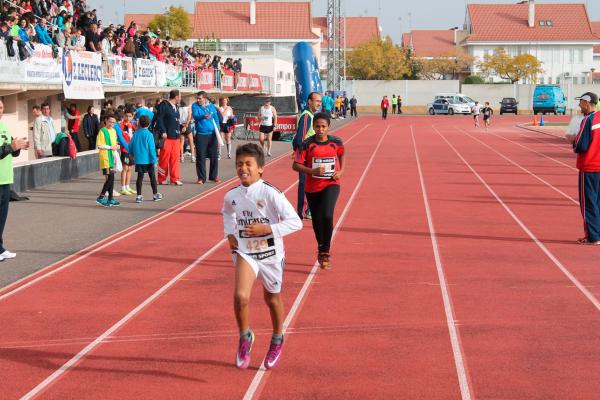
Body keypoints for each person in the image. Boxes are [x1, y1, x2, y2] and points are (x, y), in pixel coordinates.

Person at [222, 143, 302, 370]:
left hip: (271, 255)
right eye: (239, 164)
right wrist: (230, 234)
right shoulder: (232, 195)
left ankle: (277, 337)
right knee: (240, 296)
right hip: (246, 252)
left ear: (260, 169)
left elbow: (295, 222)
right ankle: (245, 336)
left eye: (248, 164)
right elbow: (227, 213)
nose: (243, 168)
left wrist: (268, 230)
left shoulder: (270, 192)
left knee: (272, 300)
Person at [293, 112, 345, 269]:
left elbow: (342, 154)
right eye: (317, 126)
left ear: (328, 127)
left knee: (327, 215)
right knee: (316, 219)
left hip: (331, 183)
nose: (321, 129)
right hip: (312, 186)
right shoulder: (307, 144)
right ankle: (321, 246)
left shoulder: (336, 142)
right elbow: (296, 165)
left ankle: (325, 252)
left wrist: (341, 171)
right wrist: (312, 171)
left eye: (323, 126)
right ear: (313, 127)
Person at [566, 92, 600, 245]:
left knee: (588, 203)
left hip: (590, 166)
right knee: (598, 202)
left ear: (587, 103)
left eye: (580, 102)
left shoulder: (587, 120)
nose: (579, 106)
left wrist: (573, 141)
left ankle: (593, 236)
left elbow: (581, 145)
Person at [0, 99, 29, 261]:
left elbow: (10, 149)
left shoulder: (4, 126)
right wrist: (11, 147)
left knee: (2, 217)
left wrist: (20, 146)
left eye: (2, 107)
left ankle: (0, 248)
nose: (0, 110)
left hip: (5, 179)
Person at [293, 92, 322, 220]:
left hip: (311, 156)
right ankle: (303, 212)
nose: (319, 104)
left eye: (320, 101)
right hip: (305, 157)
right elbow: (300, 138)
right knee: (305, 183)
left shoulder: (311, 115)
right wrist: (301, 153)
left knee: (313, 182)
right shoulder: (306, 116)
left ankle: (309, 209)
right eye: (316, 101)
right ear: (309, 102)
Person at [128, 115, 163, 203]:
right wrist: (154, 160)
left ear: (139, 123)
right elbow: (151, 149)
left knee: (140, 178)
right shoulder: (149, 134)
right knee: (152, 177)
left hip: (139, 160)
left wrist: (131, 154)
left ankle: (139, 196)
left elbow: (130, 145)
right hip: (148, 160)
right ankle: (155, 194)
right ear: (149, 124)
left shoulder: (136, 134)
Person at [154, 90, 183, 186]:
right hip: (167, 137)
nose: (180, 98)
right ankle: (161, 179)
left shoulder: (176, 107)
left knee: (175, 158)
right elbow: (159, 118)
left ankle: (175, 178)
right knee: (164, 158)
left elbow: (175, 121)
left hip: (176, 136)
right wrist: (163, 131)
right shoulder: (164, 105)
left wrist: (182, 127)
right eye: (180, 96)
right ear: (176, 97)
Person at [192, 91, 221, 184]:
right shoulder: (195, 106)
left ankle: (213, 176)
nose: (198, 100)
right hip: (201, 134)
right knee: (200, 156)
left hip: (212, 134)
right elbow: (196, 116)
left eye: (200, 98)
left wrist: (217, 129)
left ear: (204, 98)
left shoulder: (211, 106)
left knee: (214, 156)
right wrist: (203, 116)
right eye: (197, 98)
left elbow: (216, 118)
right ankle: (201, 178)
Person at [96, 114, 120, 207]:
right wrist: (111, 147)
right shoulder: (102, 131)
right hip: (106, 157)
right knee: (109, 178)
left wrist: (117, 146)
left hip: (112, 157)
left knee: (112, 178)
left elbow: (115, 143)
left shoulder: (114, 131)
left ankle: (110, 198)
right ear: (106, 121)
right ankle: (101, 197)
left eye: (113, 122)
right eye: (110, 121)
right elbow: (99, 145)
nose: (111, 124)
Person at [117, 110, 136, 195]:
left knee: (130, 169)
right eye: (126, 116)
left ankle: (128, 186)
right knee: (125, 169)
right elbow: (120, 137)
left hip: (132, 150)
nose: (128, 118)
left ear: (132, 116)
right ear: (124, 116)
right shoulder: (121, 126)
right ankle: (123, 188)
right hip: (125, 150)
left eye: (130, 116)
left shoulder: (133, 125)